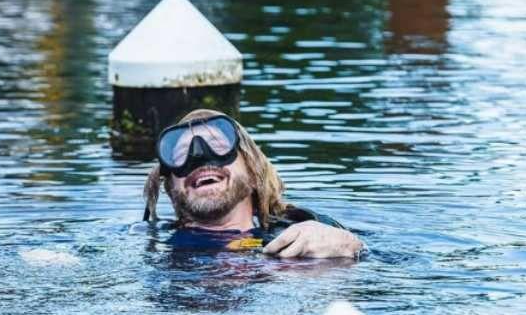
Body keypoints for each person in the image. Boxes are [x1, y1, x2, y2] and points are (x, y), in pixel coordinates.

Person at [143, 109, 365, 258]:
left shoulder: (305, 231)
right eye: (182, 154)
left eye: (219, 146)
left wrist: (351, 245)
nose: (199, 158)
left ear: (252, 171)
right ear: (171, 188)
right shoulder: (152, 241)